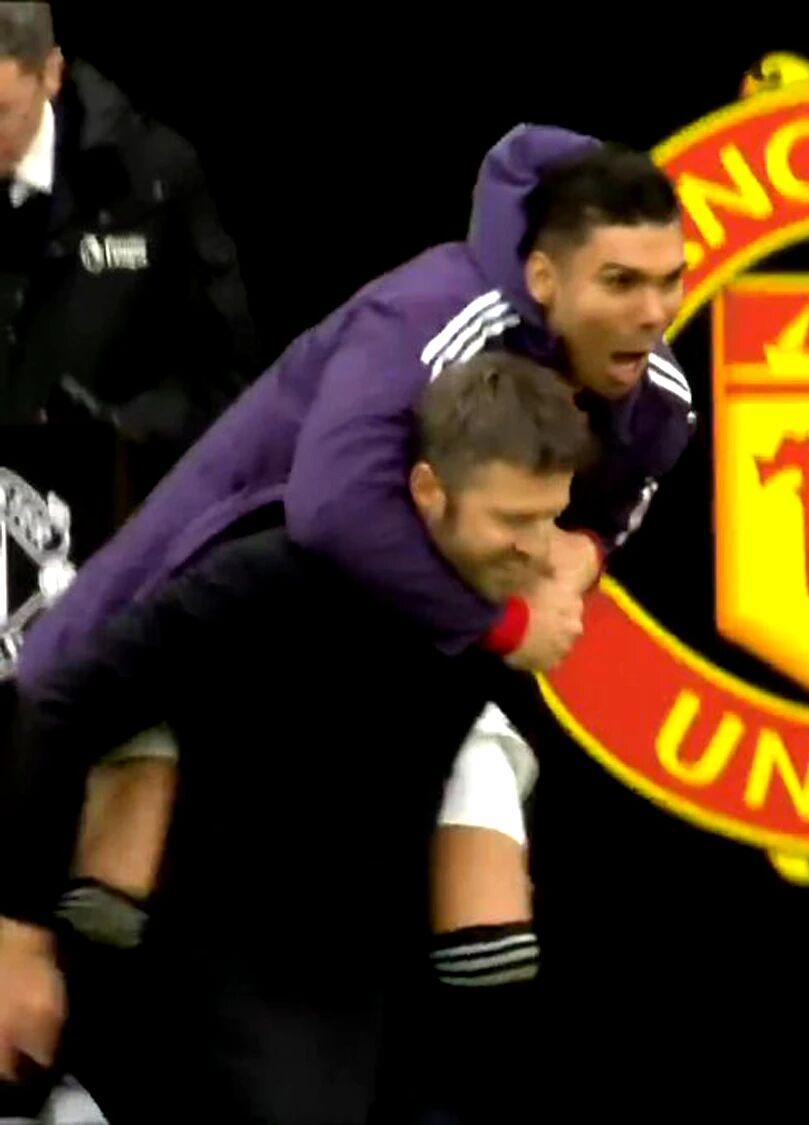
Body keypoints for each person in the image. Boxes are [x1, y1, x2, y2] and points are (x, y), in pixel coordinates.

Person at [15, 125, 693, 934]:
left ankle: (470, 760)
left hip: (388, 637)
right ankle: (150, 737)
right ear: (544, 276)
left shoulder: (661, 400)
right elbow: (334, 509)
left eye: (671, 281)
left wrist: (578, 558)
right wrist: (504, 624)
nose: (653, 313)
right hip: (237, 563)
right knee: (93, 832)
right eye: (621, 282)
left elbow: (611, 514)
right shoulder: (431, 313)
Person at [0, 352, 595, 1124]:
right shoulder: (267, 583)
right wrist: (21, 940)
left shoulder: (498, 616)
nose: (536, 549)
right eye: (512, 521)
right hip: (212, 996)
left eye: (550, 517)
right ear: (428, 492)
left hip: (352, 999)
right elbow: (62, 704)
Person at [0, 1, 256, 564]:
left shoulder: (150, 180)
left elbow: (222, 378)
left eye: (1, 114)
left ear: (50, 74)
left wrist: (119, 431)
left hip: (112, 533)